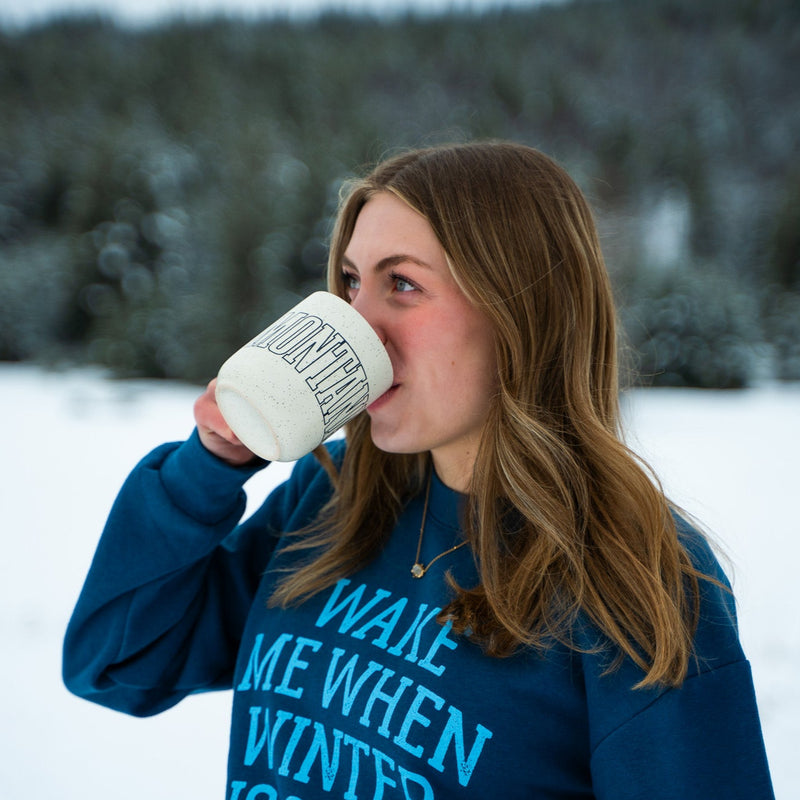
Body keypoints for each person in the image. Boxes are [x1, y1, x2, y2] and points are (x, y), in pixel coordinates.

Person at [63, 141, 774, 800]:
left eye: (401, 284)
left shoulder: (636, 575)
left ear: (518, 309)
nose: (354, 323)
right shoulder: (333, 495)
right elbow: (117, 665)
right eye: (349, 282)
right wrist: (207, 466)